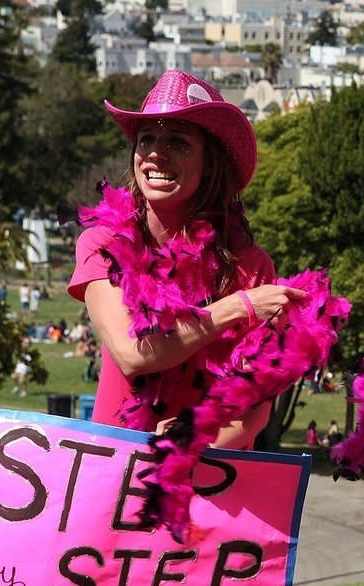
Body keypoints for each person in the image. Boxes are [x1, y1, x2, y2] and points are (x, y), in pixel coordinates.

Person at [68, 70, 306, 450]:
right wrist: (237, 307)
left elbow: (257, 404)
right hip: (112, 473)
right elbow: (133, 355)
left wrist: (197, 443)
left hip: (211, 486)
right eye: (146, 140)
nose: (156, 154)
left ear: (210, 164)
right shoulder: (103, 243)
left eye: (178, 143)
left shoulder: (250, 266)